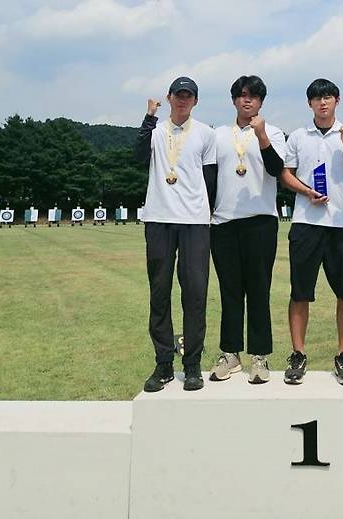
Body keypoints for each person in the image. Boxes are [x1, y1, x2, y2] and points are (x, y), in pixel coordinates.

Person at [134, 76, 217, 392]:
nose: (183, 100)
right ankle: (163, 363)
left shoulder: (205, 133)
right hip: (158, 218)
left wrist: (203, 213)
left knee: (195, 292)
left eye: (189, 96)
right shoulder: (154, 131)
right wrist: (148, 118)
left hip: (195, 222)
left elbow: (210, 179)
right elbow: (139, 157)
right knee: (159, 292)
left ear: (195, 101)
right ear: (169, 98)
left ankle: (192, 364)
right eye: (178, 95)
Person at [280, 78, 343, 386]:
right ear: (309, 104)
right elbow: (285, 174)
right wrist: (306, 192)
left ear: (337, 100)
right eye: (317, 98)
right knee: (300, 292)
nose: (323, 102)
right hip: (305, 224)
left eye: (328, 97)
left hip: (341, 226)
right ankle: (298, 354)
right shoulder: (298, 137)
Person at [209, 75, 286, 384]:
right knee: (229, 292)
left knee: (258, 291)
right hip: (224, 222)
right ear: (234, 100)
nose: (247, 100)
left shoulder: (276, 133)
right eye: (241, 95)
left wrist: (262, 136)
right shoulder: (218, 135)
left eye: (253, 96)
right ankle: (230, 354)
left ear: (261, 102)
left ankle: (260, 356)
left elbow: (276, 170)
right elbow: (209, 177)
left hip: (260, 221)